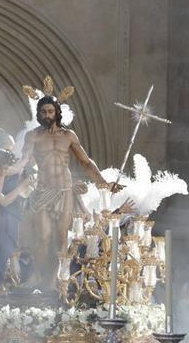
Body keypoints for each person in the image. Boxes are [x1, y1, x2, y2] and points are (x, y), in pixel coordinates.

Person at [21, 93, 119, 292]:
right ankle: (39, 273)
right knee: (43, 235)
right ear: (39, 114)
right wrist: (14, 170)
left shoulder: (68, 136)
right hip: (44, 190)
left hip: (65, 190)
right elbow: (24, 161)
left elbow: (86, 162)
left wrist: (104, 183)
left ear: (57, 112)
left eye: (50, 111)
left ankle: (56, 279)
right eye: (43, 112)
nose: (47, 115)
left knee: (61, 237)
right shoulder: (33, 136)